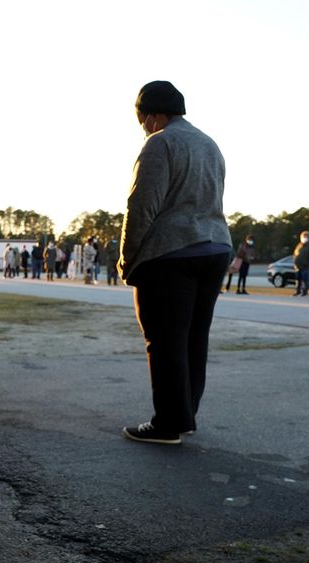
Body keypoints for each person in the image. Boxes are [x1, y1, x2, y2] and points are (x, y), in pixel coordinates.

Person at [118, 81, 233, 445]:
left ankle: (167, 423)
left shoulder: (160, 142)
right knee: (194, 338)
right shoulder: (209, 144)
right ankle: (184, 416)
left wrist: (127, 258)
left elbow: (142, 206)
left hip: (173, 253)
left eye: (141, 120)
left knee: (164, 339)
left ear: (151, 116)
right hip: (214, 248)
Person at [293, 231, 309, 297]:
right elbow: (295, 254)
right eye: (303, 236)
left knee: (305, 280)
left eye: (306, 236)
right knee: (298, 280)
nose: (304, 238)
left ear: (308, 237)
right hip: (298, 266)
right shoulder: (299, 245)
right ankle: (297, 291)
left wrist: (308, 264)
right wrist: (295, 262)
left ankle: (304, 292)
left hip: (305, 266)